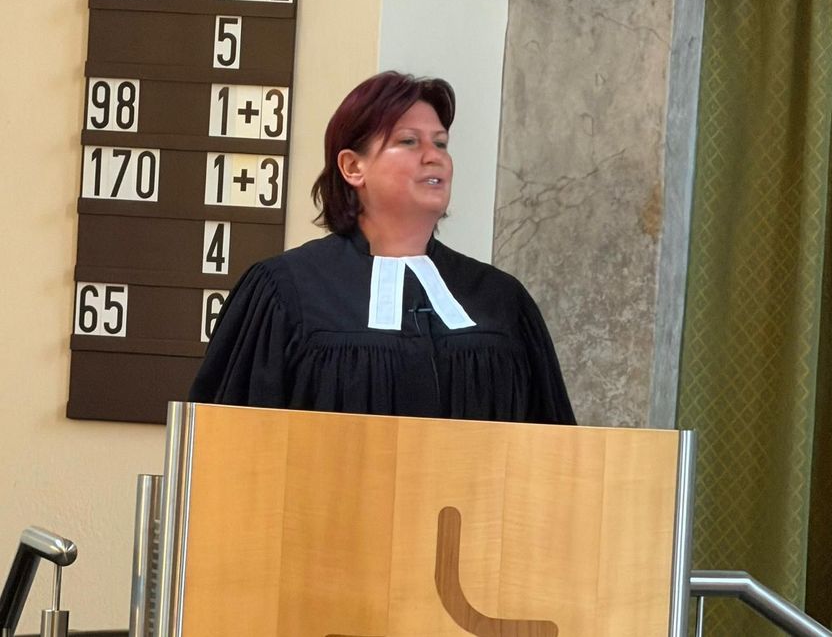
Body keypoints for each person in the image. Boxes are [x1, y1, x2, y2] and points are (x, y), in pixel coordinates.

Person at [189, 72, 576, 424]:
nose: (434, 155)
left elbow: (555, 457)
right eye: (408, 141)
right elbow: (228, 452)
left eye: (440, 143)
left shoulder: (500, 300)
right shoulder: (286, 292)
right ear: (353, 167)